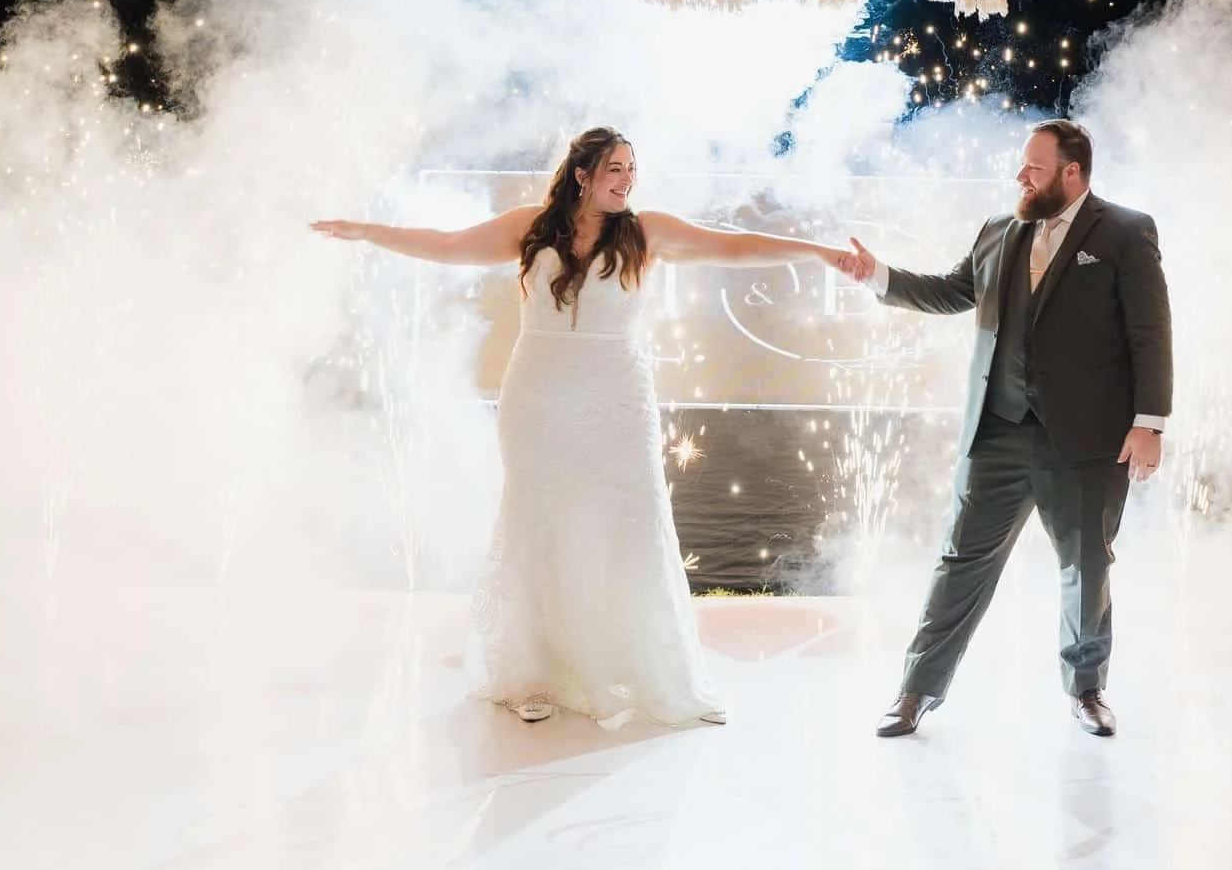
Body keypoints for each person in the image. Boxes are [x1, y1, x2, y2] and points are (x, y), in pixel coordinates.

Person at [309, 127, 855, 728]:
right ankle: (533, 674)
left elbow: (734, 248)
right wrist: (366, 232)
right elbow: (447, 246)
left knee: (630, 520)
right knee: (540, 519)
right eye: (615, 169)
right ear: (582, 174)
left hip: (619, 394)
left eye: (631, 169)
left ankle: (652, 670)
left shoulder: (646, 232)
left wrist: (819, 252)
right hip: (539, 396)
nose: (627, 180)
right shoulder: (532, 226)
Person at [838, 119, 1172, 739]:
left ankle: (1087, 690)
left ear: (1072, 172)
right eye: (1023, 166)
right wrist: (878, 275)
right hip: (997, 431)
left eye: (1034, 169)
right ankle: (916, 690)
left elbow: (1149, 331)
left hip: (1087, 440)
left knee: (1086, 569)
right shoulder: (998, 230)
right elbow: (951, 291)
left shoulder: (1126, 231)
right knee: (960, 561)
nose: (1021, 176)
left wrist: (1148, 423)